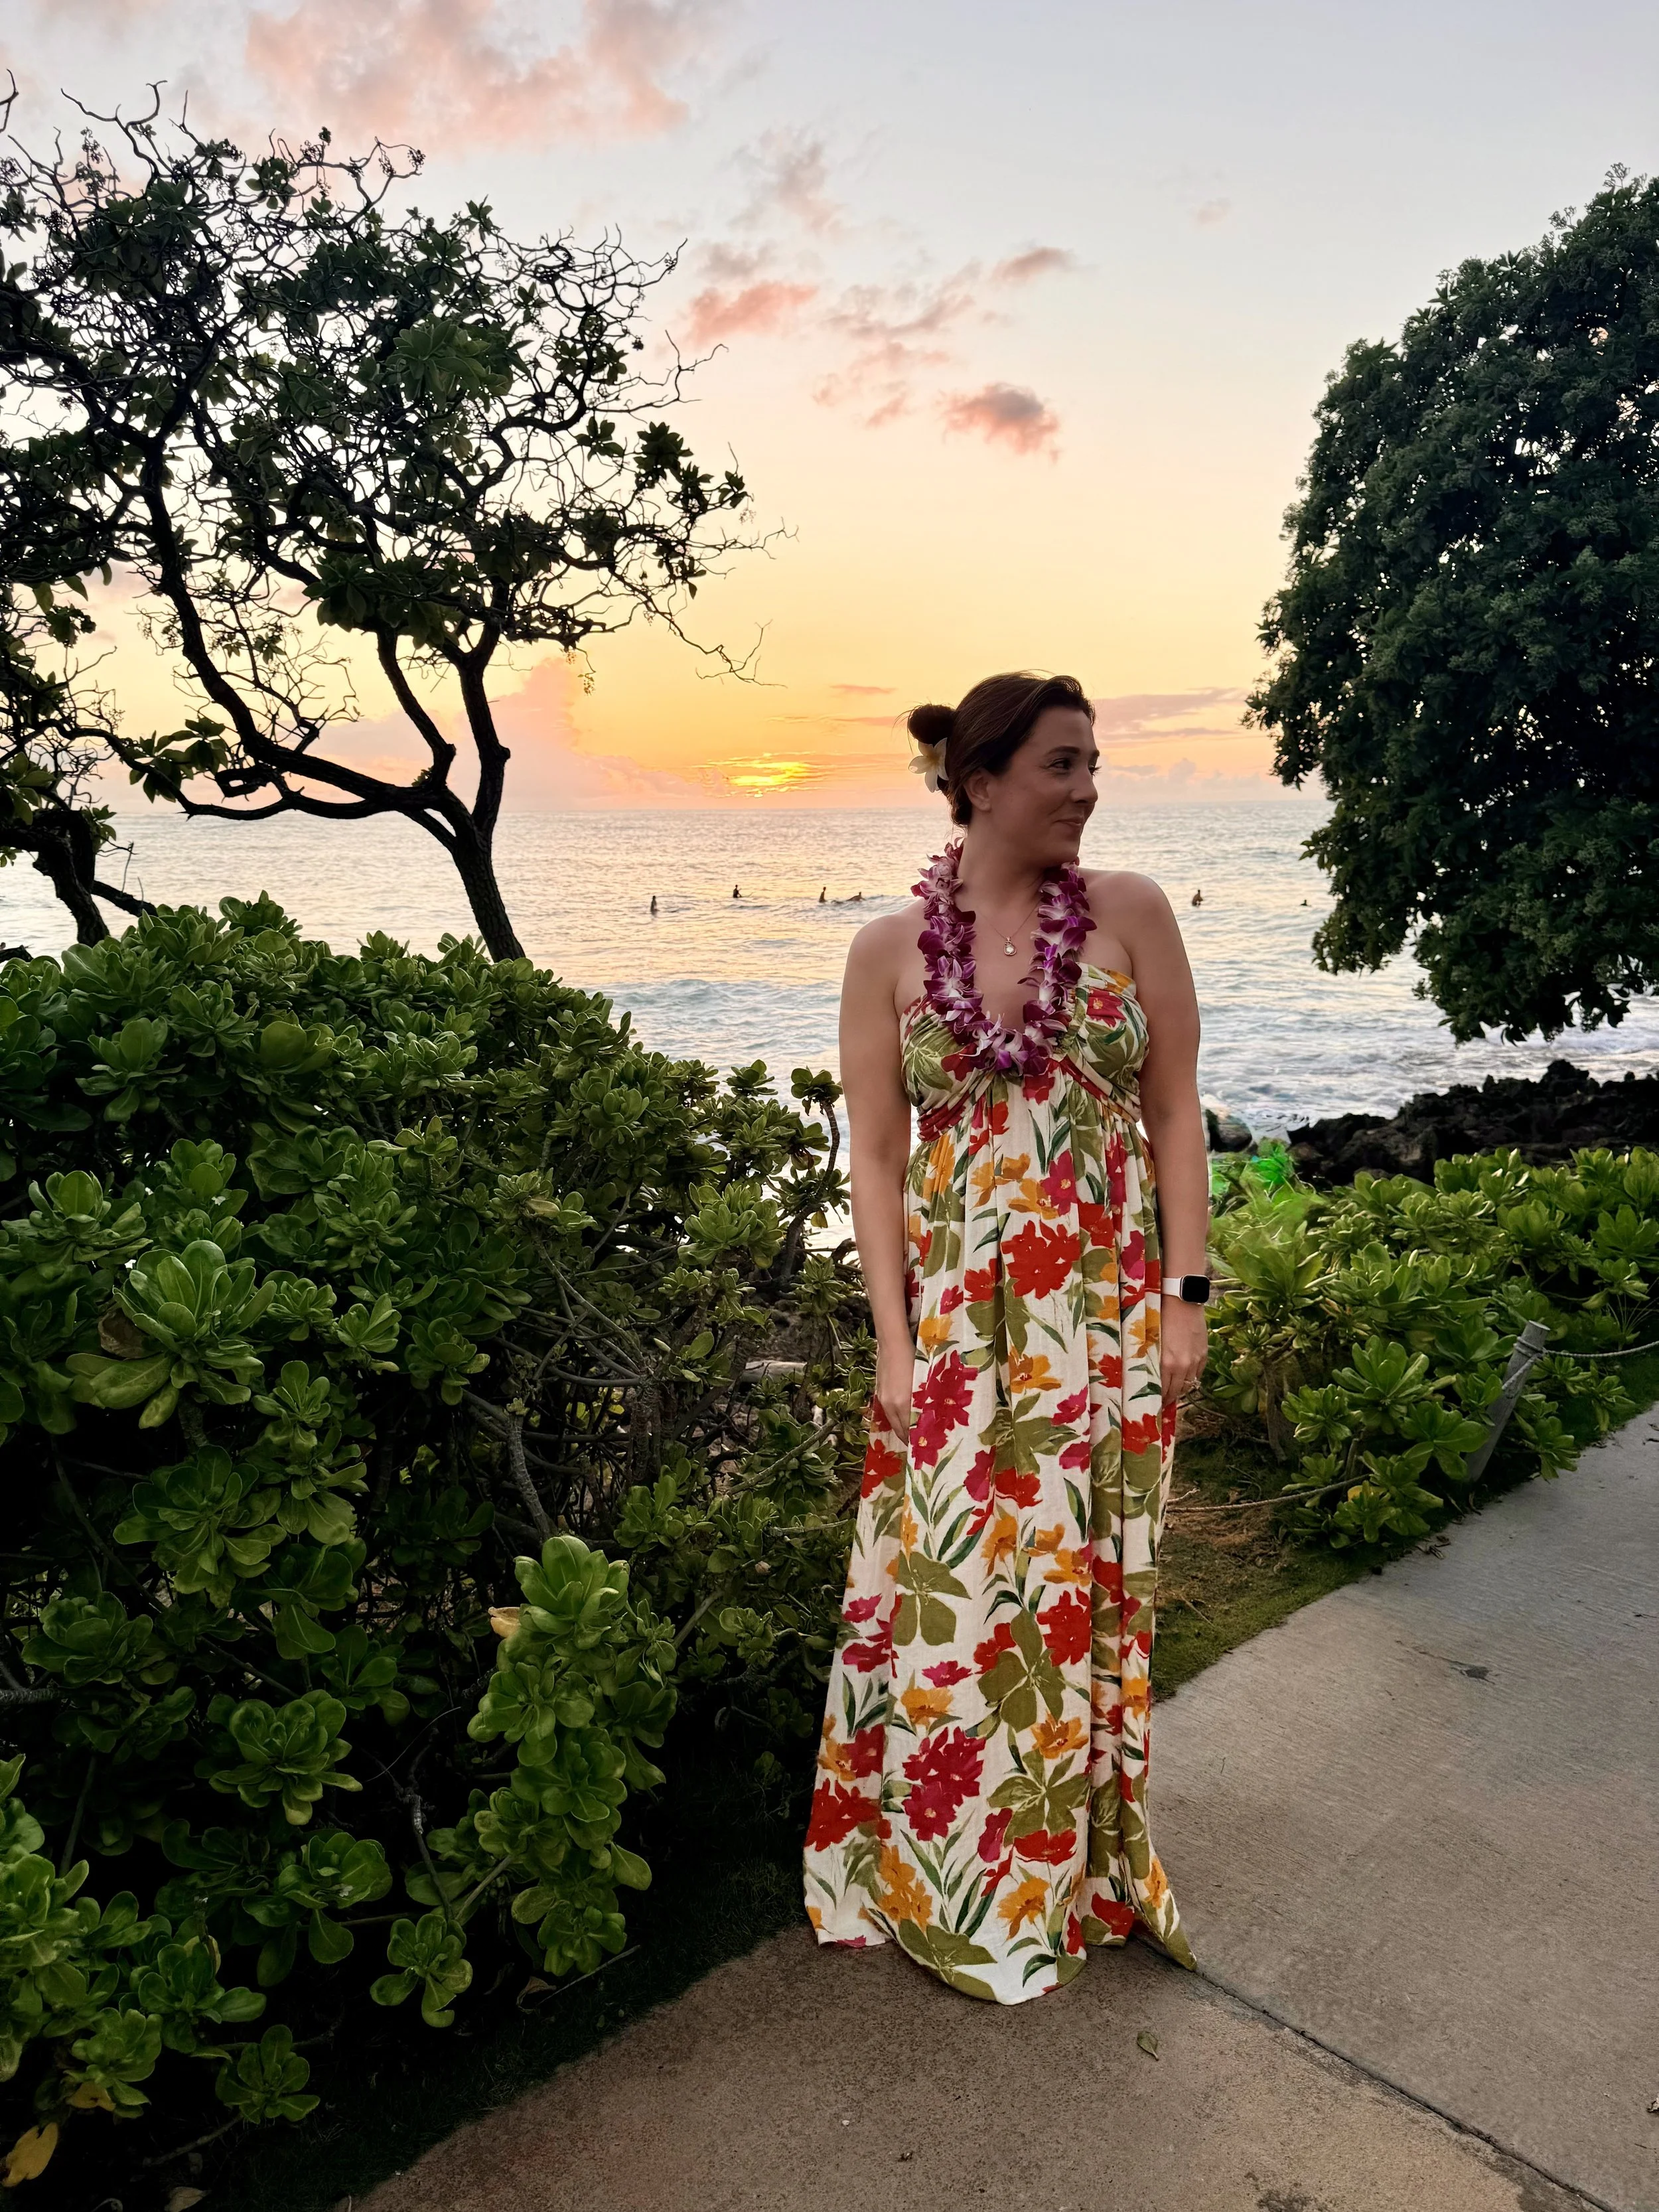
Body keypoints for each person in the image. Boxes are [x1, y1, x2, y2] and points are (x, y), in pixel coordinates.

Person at [802, 670, 1208, 2002]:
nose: (1087, 788)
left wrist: (1186, 1297)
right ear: (980, 783)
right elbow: (874, 1158)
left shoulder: (1132, 914)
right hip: (957, 1326)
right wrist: (891, 1344)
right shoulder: (885, 953)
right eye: (1060, 764)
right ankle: (939, 1872)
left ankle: (1063, 1872)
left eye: (1092, 764)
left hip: (1099, 1317)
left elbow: (1174, 1112)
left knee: (1075, 1587)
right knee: (952, 1589)